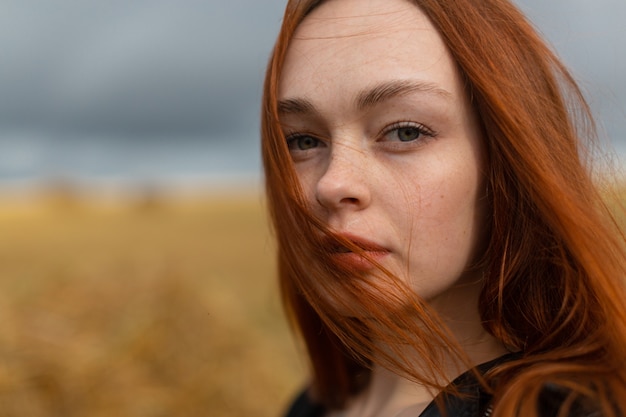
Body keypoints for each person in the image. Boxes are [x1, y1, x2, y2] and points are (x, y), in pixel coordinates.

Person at [260, 0, 626, 416]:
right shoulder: (309, 407)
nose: (332, 183)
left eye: (404, 131)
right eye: (302, 141)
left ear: (508, 158)